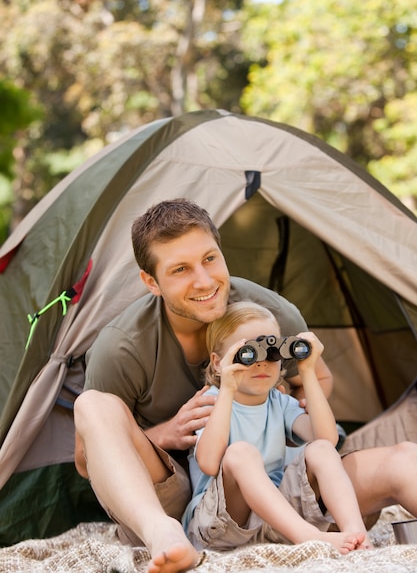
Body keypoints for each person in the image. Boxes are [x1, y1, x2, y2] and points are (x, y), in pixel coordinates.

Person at [74, 198, 417, 573]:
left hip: (282, 485)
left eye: (209, 259)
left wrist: (281, 398)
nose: (204, 281)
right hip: (181, 497)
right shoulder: (124, 346)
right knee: (91, 404)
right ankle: (163, 536)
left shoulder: (266, 312)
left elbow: (317, 379)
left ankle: (320, 528)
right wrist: (166, 435)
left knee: (403, 458)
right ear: (151, 282)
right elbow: (85, 460)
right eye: (180, 270)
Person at [183, 301, 372, 553]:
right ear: (218, 363)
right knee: (241, 452)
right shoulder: (211, 402)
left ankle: (356, 535)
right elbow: (208, 463)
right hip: (222, 524)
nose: (261, 363)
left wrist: (307, 370)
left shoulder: (280, 402)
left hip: (278, 520)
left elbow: (327, 439)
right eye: (248, 353)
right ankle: (309, 536)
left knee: (321, 450)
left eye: (271, 353)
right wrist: (227, 388)